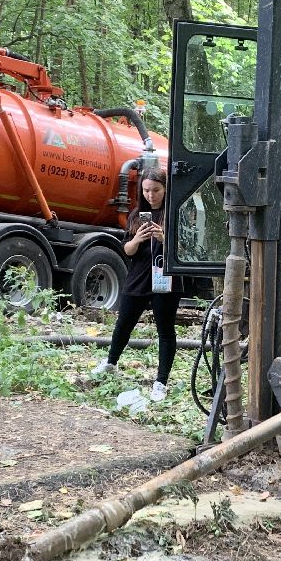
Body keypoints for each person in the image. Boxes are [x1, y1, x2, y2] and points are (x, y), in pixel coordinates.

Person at [91, 166, 182, 402]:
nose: (151, 196)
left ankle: (161, 382)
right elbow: (127, 250)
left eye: (156, 190)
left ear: (165, 189)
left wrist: (164, 238)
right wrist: (138, 239)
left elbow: (188, 250)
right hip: (138, 277)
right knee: (124, 323)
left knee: (165, 330)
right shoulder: (136, 215)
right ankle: (111, 362)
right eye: (146, 191)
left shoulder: (176, 213)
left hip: (166, 277)